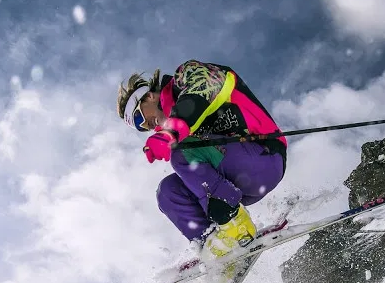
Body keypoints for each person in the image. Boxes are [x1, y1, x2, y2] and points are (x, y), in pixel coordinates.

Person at [117, 60, 287, 256]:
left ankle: (236, 225)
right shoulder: (176, 129)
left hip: (264, 158)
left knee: (182, 149)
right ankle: (215, 246)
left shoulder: (185, 76)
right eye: (140, 127)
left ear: (148, 96)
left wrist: (171, 132)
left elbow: (205, 86)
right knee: (168, 191)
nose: (146, 125)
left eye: (139, 117)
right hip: (237, 183)